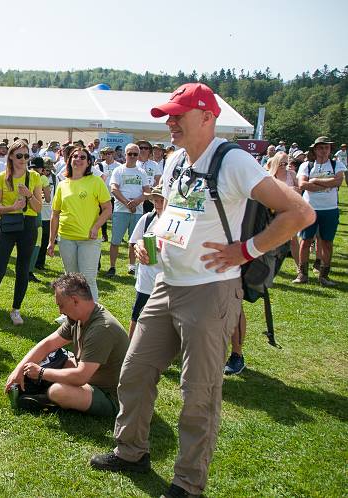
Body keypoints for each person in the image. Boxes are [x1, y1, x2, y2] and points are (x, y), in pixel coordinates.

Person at [89, 83, 315, 498]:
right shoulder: (176, 160)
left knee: (198, 393)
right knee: (134, 371)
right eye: (168, 116)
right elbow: (171, 213)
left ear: (208, 117)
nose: (170, 123)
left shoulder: (234, 161)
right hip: (166, 285)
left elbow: (300, 212)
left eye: (179, 116)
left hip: (210, 291)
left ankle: (188, 483)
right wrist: (148, 241)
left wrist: (245, 251)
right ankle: (131, 451)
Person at [5, 273, 128, 415]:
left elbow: (81, 376)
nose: (60, 311)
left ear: (75, 300)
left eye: (61, 305)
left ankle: (50, 400)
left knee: (58, 391)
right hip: (92, 377)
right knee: (65, 361)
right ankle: (46, 393)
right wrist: (18, 370)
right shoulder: (81, 316)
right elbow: (48, 344)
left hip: (111, 395)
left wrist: (41, 373)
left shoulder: (102, 328)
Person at [0, 139, 42, 330]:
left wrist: (29, 195)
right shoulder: (2, 177)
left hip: (28, 225)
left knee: (23, 269)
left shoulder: (34, 176)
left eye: (26, 156)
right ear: (11, 156)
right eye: (19, 155)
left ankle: (16, 310)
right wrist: (12, 207)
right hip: (8, 225)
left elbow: (38, 208)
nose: (23, 159)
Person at [47, 146, 112, 303]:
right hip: (66, 238)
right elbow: (55, 214)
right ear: (69, 161)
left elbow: (107, 208)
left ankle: (93, 313)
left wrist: (96, 227)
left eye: (83, 157)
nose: (78, 159)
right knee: (71, 279)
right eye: (75, 156)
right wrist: (51, 241)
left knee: (87, 280)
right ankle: (73, 312)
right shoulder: (63, 184)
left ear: (89, 162)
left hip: (89, 239)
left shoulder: (96, 181)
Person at [294, 136, 345, 286]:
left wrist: (315, 181)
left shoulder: (336, 164)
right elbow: (302, 184)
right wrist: (328, 184)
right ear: (315, 150)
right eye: (321, 147)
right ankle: (302, 274)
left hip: (330, 209)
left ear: (330, 150)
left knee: (327, 242)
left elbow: (338, 181)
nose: (324, 150)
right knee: (305, 241)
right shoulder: (307, 165)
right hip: (309, 209)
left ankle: (324, 276)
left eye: (326, 147)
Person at [126, 186, 164, 340]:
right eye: (155, 200)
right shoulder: (147, 218)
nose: (158, 204)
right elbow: (134, 242)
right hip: (147, 276)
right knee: (138, 312)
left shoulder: (177, 224)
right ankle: (130, 344)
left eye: (161, 200)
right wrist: (140, 247)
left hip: (168, 277)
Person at [107, 143, 151, 277]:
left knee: (134, 241)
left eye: (135, 154)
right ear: (125, 155)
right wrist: (127, 203)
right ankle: (112, 266)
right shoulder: (118, 170)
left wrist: (136, 202)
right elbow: (114, 189)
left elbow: (147, 191)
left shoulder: (142, 172)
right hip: (121, 210)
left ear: (138, 156)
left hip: (137, 211)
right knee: (115, 241)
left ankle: (132, 266)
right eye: (129, 154)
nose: (132, 156)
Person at [267, 152, 301, 270]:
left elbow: (300, 190)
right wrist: (288, 190)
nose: (283, 166)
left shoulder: (291, 174)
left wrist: (294, 190)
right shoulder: (270, 176)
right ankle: (270, 266)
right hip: (274, 211)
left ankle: (300, 268)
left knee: (293, 239)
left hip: (290, 210)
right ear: (275, 163)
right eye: (281, 163)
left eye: (285, 163)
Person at [34, 157, 57, 271]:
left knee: (44, 241)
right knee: (34, 240)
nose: (47, 172)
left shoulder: (54, 178)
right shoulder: (36, 177)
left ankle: (40, 263)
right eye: (45, 170)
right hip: (36, 212)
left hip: (48, 214)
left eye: (49, 170)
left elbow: (55, 195)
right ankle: (32, 262)